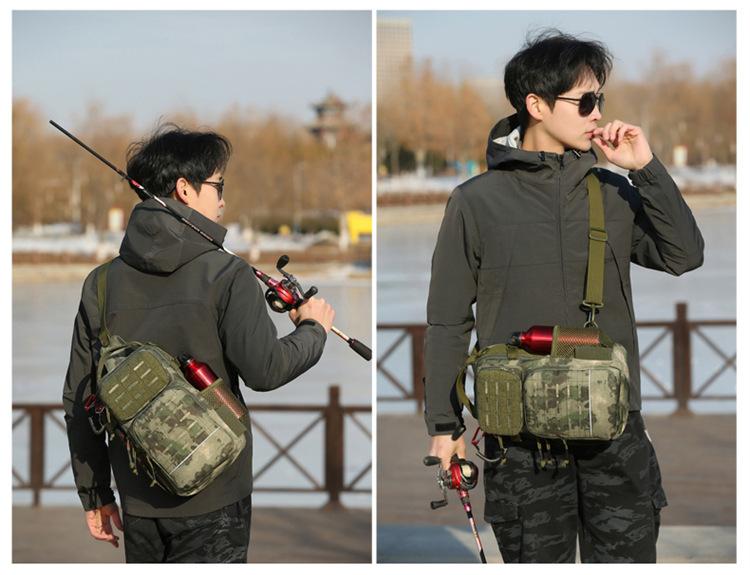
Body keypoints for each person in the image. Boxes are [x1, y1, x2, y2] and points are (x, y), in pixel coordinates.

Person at [424, 30, 704, 563]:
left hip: (614, 433)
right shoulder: (474, 203)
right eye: (586, 101)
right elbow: (447, 321)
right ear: (536, 105)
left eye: (601, 99)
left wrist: (645, 168)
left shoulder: (614, 191)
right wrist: (444, 426)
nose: (598, 113)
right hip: (521, 443)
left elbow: (684, 255)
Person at [63, 124, 335, 563]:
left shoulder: (100, 284)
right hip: (217, 495)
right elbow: (266, 371)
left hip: (138, 501)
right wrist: (313, 331)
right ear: (185, 189)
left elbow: (80, 398)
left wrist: (94, 493)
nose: (223, 200)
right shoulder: (228, 274)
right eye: (218, 185)